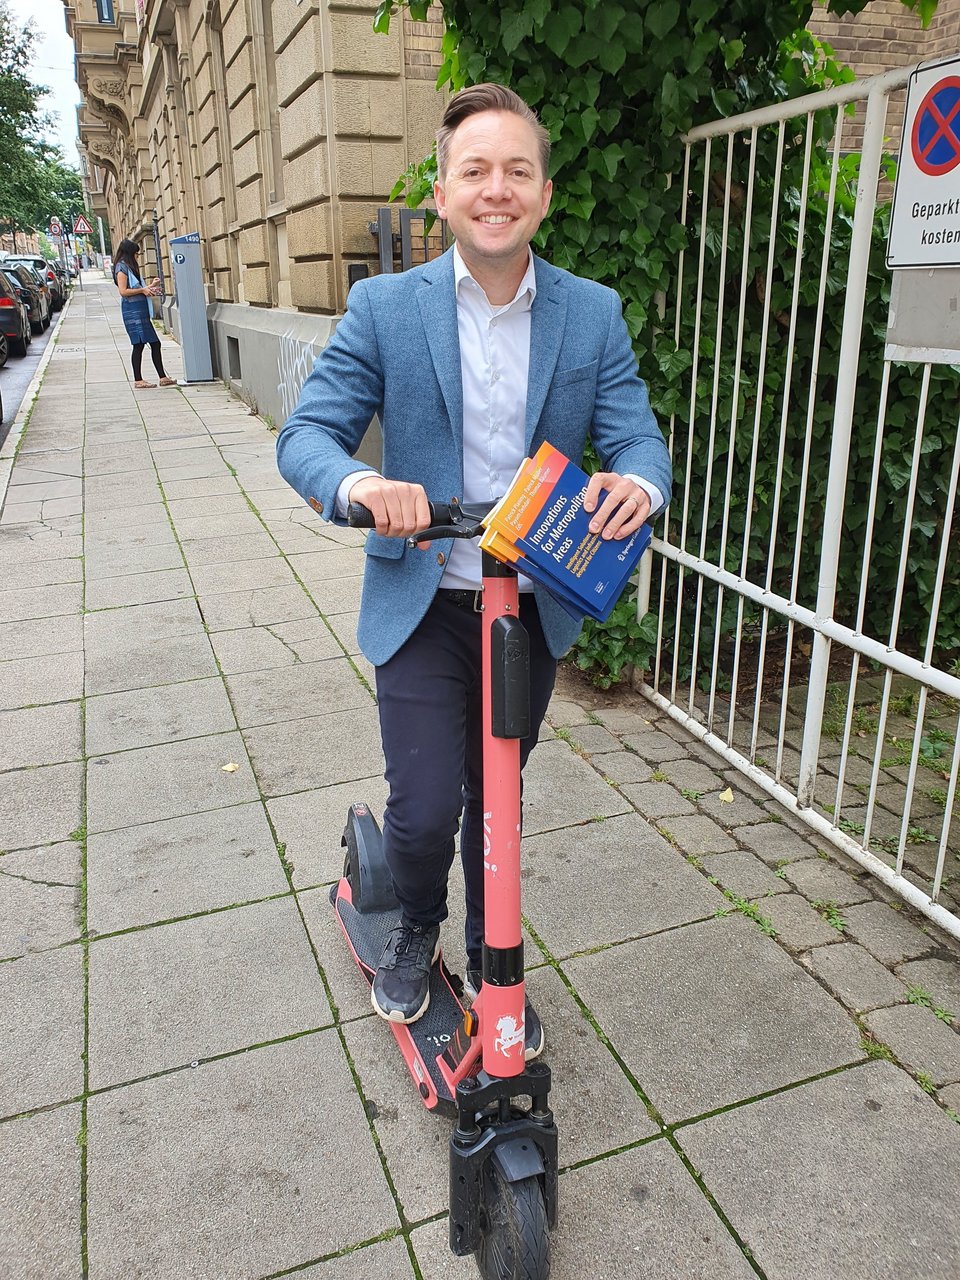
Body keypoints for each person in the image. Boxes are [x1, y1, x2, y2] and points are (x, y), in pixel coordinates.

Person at [277, 84, 671, 1054]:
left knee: (498, 801)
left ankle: (498, 969)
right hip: (424, 599)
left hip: (527, 608)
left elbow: (638, 438)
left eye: (517, 171)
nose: (498, 188)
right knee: (423, 808)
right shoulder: (382, 308)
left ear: (541, 191)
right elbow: (306, 436)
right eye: (475, 171)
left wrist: (641, 487)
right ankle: (415, 923)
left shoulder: (592, 313)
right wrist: (366, 484)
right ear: (444, 193)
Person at [112, 239, 176, 389]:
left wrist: (150, 287)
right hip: (133, 312)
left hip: (140, 310)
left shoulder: (127, 266)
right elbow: (123, 291)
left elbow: (136, 288)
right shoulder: (121, 268)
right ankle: (140, 380)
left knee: (150, 344)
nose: (137, 257)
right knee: (140, 344)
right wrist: (142, 290)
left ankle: (161, 377)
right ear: (129, 254)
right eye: (136, 254)